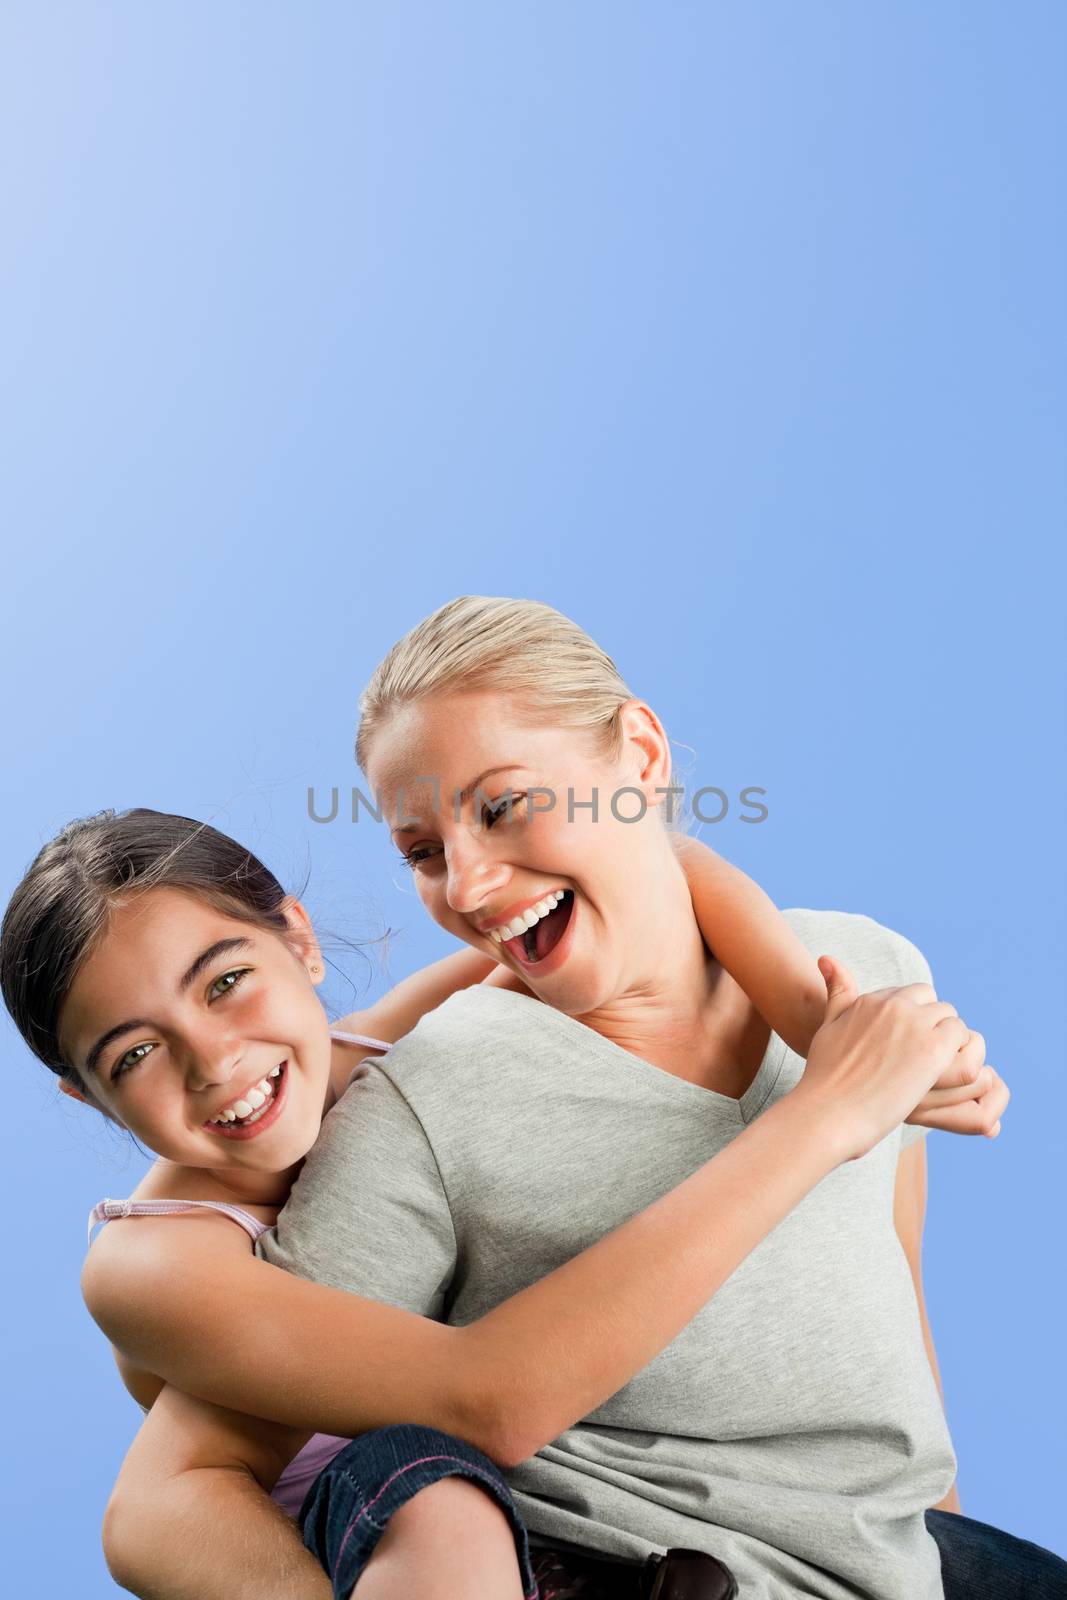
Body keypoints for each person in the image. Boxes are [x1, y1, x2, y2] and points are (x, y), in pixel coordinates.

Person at [70, 596, 1060, 1600]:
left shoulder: (861, 973)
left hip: (892, 1560)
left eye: (501, 806)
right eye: (421, 852)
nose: (467, 885)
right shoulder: (403, 1109)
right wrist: (828, 1106)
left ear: (639, 752)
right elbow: (179, 1489)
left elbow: (884, 1301)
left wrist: (812, 1015)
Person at [3, 801, 975, 1599]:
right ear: (86, 1094)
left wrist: (817, 1020)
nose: (214, 1062)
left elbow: (653, 869)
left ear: (297, 938)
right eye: (133, 1053)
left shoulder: (397, 1051)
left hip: (550, 1502)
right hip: (375, 1533)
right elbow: (479, 1399)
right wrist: (826, 1107)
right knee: (434, 1501)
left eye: (225, 982)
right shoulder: (151, 1260)